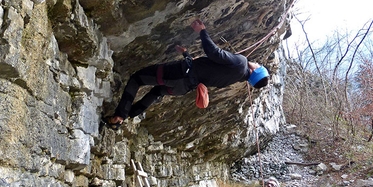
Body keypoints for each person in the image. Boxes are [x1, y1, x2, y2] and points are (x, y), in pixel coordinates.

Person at [103, 19, 269, 130]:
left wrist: (202, 31)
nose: (257, 63)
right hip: (183, 87)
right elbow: (205, 71)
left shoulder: (241, 63)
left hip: (178, 73)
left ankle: (120, 116)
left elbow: (214, 53)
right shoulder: (235, 79)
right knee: (156, 92)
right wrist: (186, 55)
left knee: (137, 78)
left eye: (259, 65)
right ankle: (129, 115)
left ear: (255, 70)